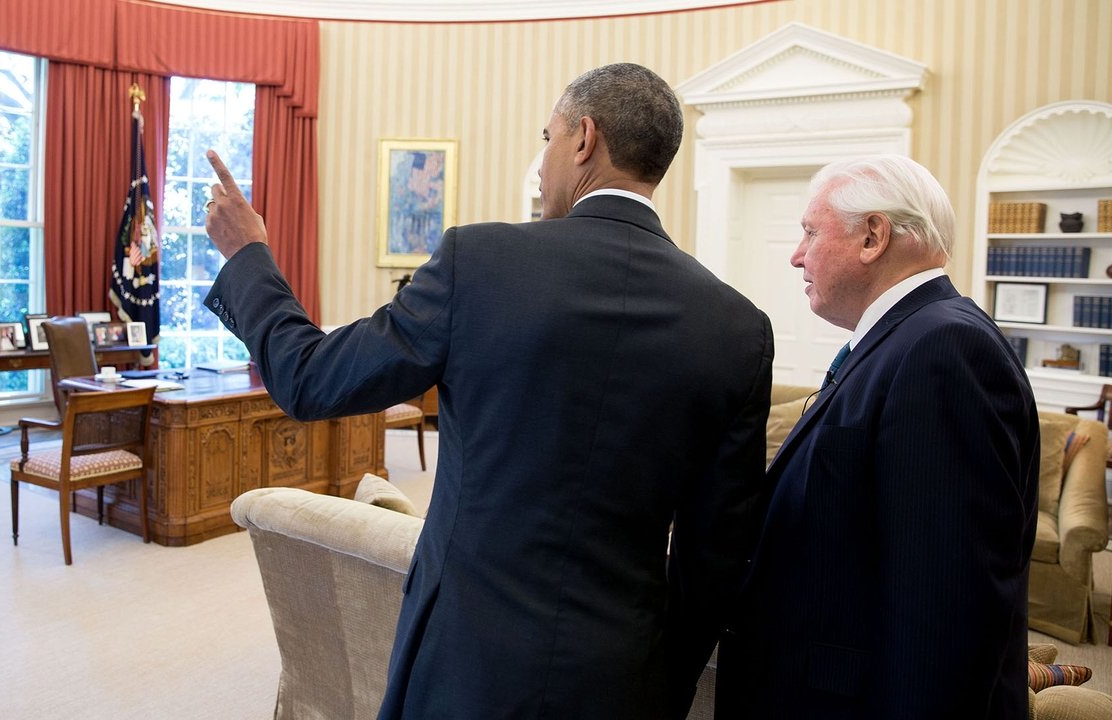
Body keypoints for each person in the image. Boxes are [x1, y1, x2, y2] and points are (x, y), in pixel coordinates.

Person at [202, 63, 774, 719]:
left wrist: (248, 255)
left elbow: (310, 378)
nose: (545, 156)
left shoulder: (479, 262)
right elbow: (717, 559)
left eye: (547, 136)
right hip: (624, 679)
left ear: (583, 138)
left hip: (463, 666)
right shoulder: (738, 329)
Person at [716, 155, 1038, 719]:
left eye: (810, 233)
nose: (797, 256)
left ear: (873, 236)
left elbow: (946, 611)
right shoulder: (905, 338)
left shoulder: (942, 350)